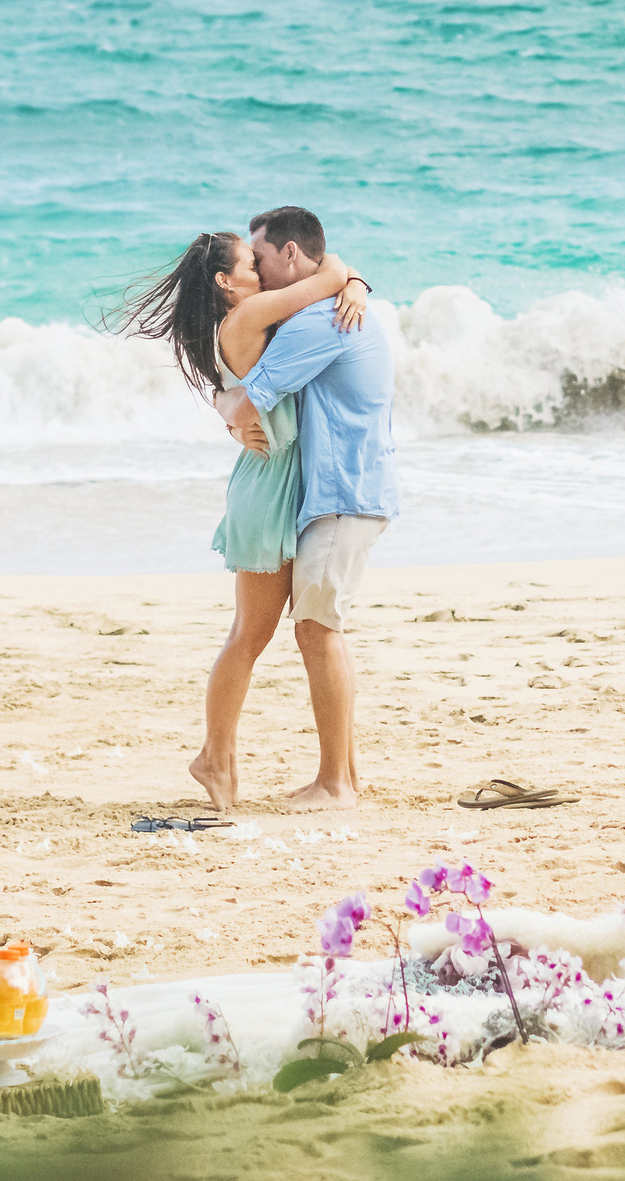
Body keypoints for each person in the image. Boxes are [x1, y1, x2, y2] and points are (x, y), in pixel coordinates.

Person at [118, 215, 372, 810]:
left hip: (278, 482)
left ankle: (273, 765)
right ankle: (214, 758)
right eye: (249, 265)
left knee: (266, 634)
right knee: (248, 637)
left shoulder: (248, 319)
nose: (261, 270)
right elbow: (326, 273)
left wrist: (352, 283)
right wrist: (354, 282)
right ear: (226, 283)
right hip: (267, 490)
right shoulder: (249, 316)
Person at [218, 206, 396, 812]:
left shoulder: (315, 321)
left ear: (290, 255)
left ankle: (336, 784)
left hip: (343, 493)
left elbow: (248, 402)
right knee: (323, 628)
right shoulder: (331, 302)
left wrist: (230, 412)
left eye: (262, 259)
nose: (261, 275)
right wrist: (348, 276)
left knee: (318, 629)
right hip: (347, 489)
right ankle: (344, 775)